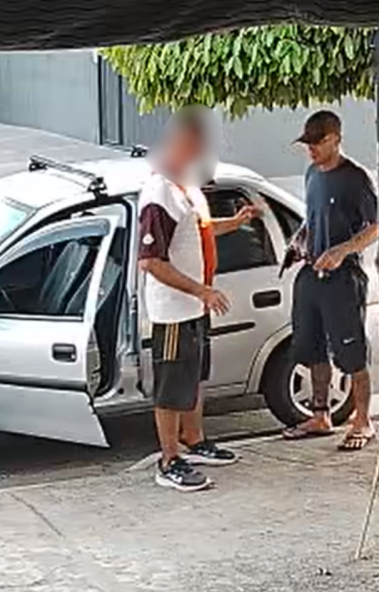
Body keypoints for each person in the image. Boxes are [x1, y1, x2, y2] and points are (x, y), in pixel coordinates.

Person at [138, 106, 262, 491]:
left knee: (195, 377)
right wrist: (201, 290)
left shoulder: (188, 186)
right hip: (173, 311)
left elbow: (199, 231)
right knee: (172, 385)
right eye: (192, 145)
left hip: (195, 307)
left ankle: (194, 439)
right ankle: (169, 459)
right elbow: (151, 262)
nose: (198, 153)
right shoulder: (159, 194)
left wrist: (235, 223)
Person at [282, 110, 379, 451]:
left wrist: (342, 250)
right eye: (306, 143)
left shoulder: (356, 178)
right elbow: (312, 219)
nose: (310, 150)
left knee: (351, 351)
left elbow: (376, 226)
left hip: (343, 278)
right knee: (311, 347)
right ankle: (320, 415)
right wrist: (299, 241)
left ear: (335, 139)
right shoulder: (312, 173)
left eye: (317, 143)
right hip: (312, 274)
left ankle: (363, 420)